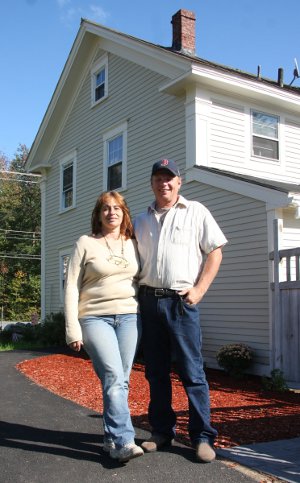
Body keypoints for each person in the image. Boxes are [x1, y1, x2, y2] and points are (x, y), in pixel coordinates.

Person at [134, 159, 228, 463]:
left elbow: (215, 251)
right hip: (148, 302)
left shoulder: (196, 212)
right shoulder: (140, 220)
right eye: (158, 178)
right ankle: (162, 432)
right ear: (151, 183)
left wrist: (199, 290)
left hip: (181, 303)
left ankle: (202, 437)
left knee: (192, 372)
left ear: (179, 181)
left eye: (169, 178)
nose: (164, 183)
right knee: (156, 372)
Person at [64, 191, 143, 463]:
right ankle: (125, 441)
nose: (112, 213)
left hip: (129, 317)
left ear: (124, 213)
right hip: (95, 317)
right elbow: (72, 286)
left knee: (121, 380)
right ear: (98, 214)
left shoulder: (133, 243)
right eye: (106, 209)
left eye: (117, 208)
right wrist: (72, 329)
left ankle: (110, 439)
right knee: (113, 375)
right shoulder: (85, 243)